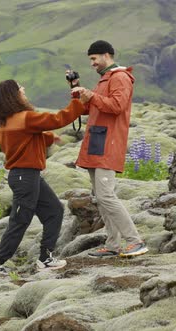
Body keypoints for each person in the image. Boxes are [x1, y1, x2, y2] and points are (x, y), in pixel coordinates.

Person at [0, 79, 86, 275]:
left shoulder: (7, 123)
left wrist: (48, 137)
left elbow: (25, 139)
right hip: (25, 177)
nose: (23, 90)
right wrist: (77, 102)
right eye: (19, 88)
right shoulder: (25, 118)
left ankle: (45, 258)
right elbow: (58, 119)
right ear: (12, 96)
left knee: (55, 210)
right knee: (20, 219)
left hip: (26, 176)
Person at [70, 40, 148, 258]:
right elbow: (89, 108)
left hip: (109, 143)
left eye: (94, 59)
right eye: (91, 60)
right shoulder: (105, 79)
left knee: (106, 196)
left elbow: (116, 106)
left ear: (106, 55)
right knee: (100, 196)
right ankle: (113, 244)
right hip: (97, 141)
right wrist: (78, 92)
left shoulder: (120, 77)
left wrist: (92, 95)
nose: (92, 63)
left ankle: (135, 241)